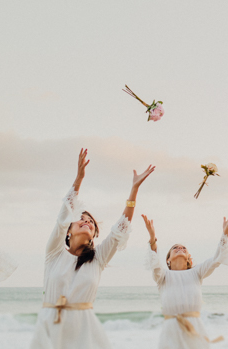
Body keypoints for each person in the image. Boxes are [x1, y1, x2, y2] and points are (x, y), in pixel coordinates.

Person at [30, 148, 155, 349]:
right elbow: (63, 216)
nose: (86, 222)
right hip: (50, 329)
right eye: (81, 219)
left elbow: (120, 229)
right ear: (68, 231)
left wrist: (134, 190)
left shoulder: (98, 259)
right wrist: (78, 179)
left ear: (94, 234)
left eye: (91, 222)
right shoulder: (54, 253)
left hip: (84, 333)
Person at [141, 210, 228, 348]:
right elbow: (155, 265)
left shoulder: (196, 272)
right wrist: (152, 238)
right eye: (175, 248)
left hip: (195, 328)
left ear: (188, 258)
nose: (180, 248)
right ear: (168, 259)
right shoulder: (163, 276)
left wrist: (225, 233)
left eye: (184, 248)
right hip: (171, 331)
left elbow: (217, 259)